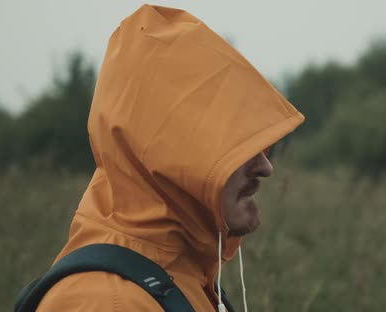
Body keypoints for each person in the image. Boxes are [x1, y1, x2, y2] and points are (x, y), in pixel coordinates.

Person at [36, 4, 304, 311]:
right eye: (231, 143)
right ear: (168, 154)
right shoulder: (105, 302)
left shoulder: (184, 278)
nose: (266, 167)